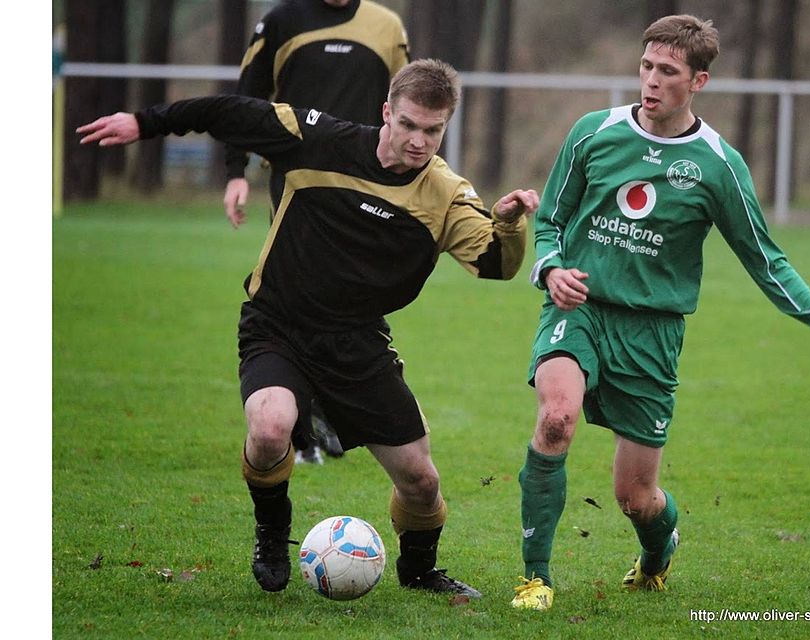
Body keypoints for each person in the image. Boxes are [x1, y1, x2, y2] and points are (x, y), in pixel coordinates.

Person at [78, 58, 540, 597]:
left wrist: (508, 222)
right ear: (387, 111)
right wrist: (147, 122)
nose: (418, 141)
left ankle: (418, 572)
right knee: (270, 426)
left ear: (447, 126)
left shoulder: (444, 193)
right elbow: (230, 110)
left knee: (421, 481)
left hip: (356, 342)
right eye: (408, 124)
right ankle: (273, 530)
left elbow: (496, 265)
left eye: (433, 130)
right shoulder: (316, 138)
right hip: (279, 323)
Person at [509, 14, 810, 611]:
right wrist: (551, 269)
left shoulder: (719, 165)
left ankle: (658, 552)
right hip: (580, 308)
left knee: (636, 497)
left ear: (700, 81)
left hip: (653, 332)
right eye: (646, 66)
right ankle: (536, 579)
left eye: (668, 71)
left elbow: (765, 259)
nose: (652, 80)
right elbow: (553, 221)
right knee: (557, 418)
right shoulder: (593, 133)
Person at [224, 0, 411, 464]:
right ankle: (300, 417)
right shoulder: (282, 21)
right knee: (300, 289)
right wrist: (235, 169)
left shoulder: (387, 26)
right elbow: (246, 99)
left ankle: (332, 403)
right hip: (297, 178)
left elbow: (411, 104)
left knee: (353, 292)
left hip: (365, 188)